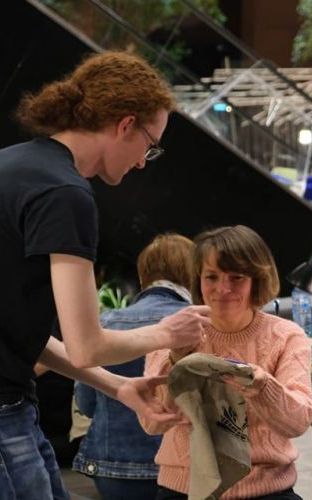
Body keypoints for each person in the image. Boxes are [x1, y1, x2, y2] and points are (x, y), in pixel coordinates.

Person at [0, 51, 210, 498]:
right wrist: (167, 332)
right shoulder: (64, 194)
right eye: (150, 145)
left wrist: (118, 386)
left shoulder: (14, 165)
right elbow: (86, 346)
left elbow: (17, 335)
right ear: (124, 125)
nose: (143, 162)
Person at [141, 225, 312, 500]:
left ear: (257, 280)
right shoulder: (174, 330)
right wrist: (176, 358)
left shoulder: (286, 336)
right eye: (211, 277)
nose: (223, 288)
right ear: (197, 279)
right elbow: (152, 424)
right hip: (185, 489)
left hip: (267, 489)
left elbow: (298, 423)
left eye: (237, 277)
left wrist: (263, 387)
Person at [73, 233, 196, 500]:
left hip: (113, 470)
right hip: (186, 467)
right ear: (193, 273)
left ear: (143, 275)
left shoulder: (105, 324)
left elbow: (86, 404)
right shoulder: (199, 324)